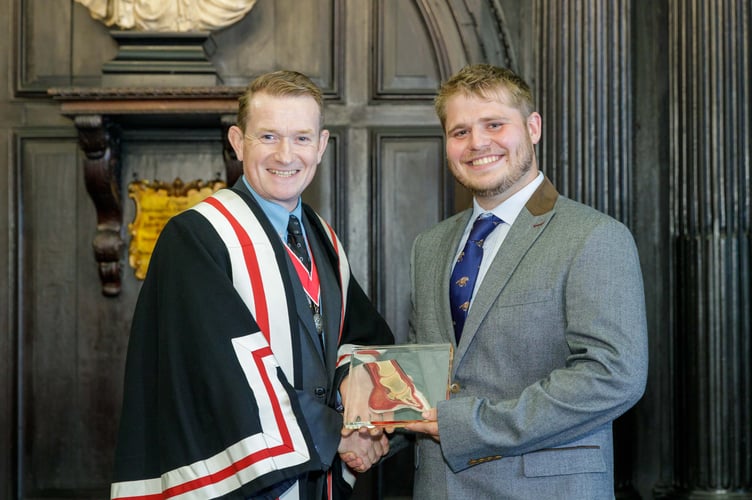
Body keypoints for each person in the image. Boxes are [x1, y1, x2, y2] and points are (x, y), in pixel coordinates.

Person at [111, 70, 394, 500]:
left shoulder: (325, 241)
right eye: (268, 137)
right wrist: (337, 432)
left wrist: (368, 424)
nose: (286, 154)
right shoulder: (197, 238)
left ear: (321, 146)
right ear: (238, 142)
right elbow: (222, 374)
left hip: (317, 483)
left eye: (301, 138)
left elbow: (362, 342)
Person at [403, 64, 648, 499]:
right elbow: (426, 379)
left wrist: (471, 427)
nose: (477, 143)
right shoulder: (430, 246)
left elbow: (614, 376)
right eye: (460, 132)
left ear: (532, 127)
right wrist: (371, 432)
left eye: (494, 124)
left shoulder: (594, 236)